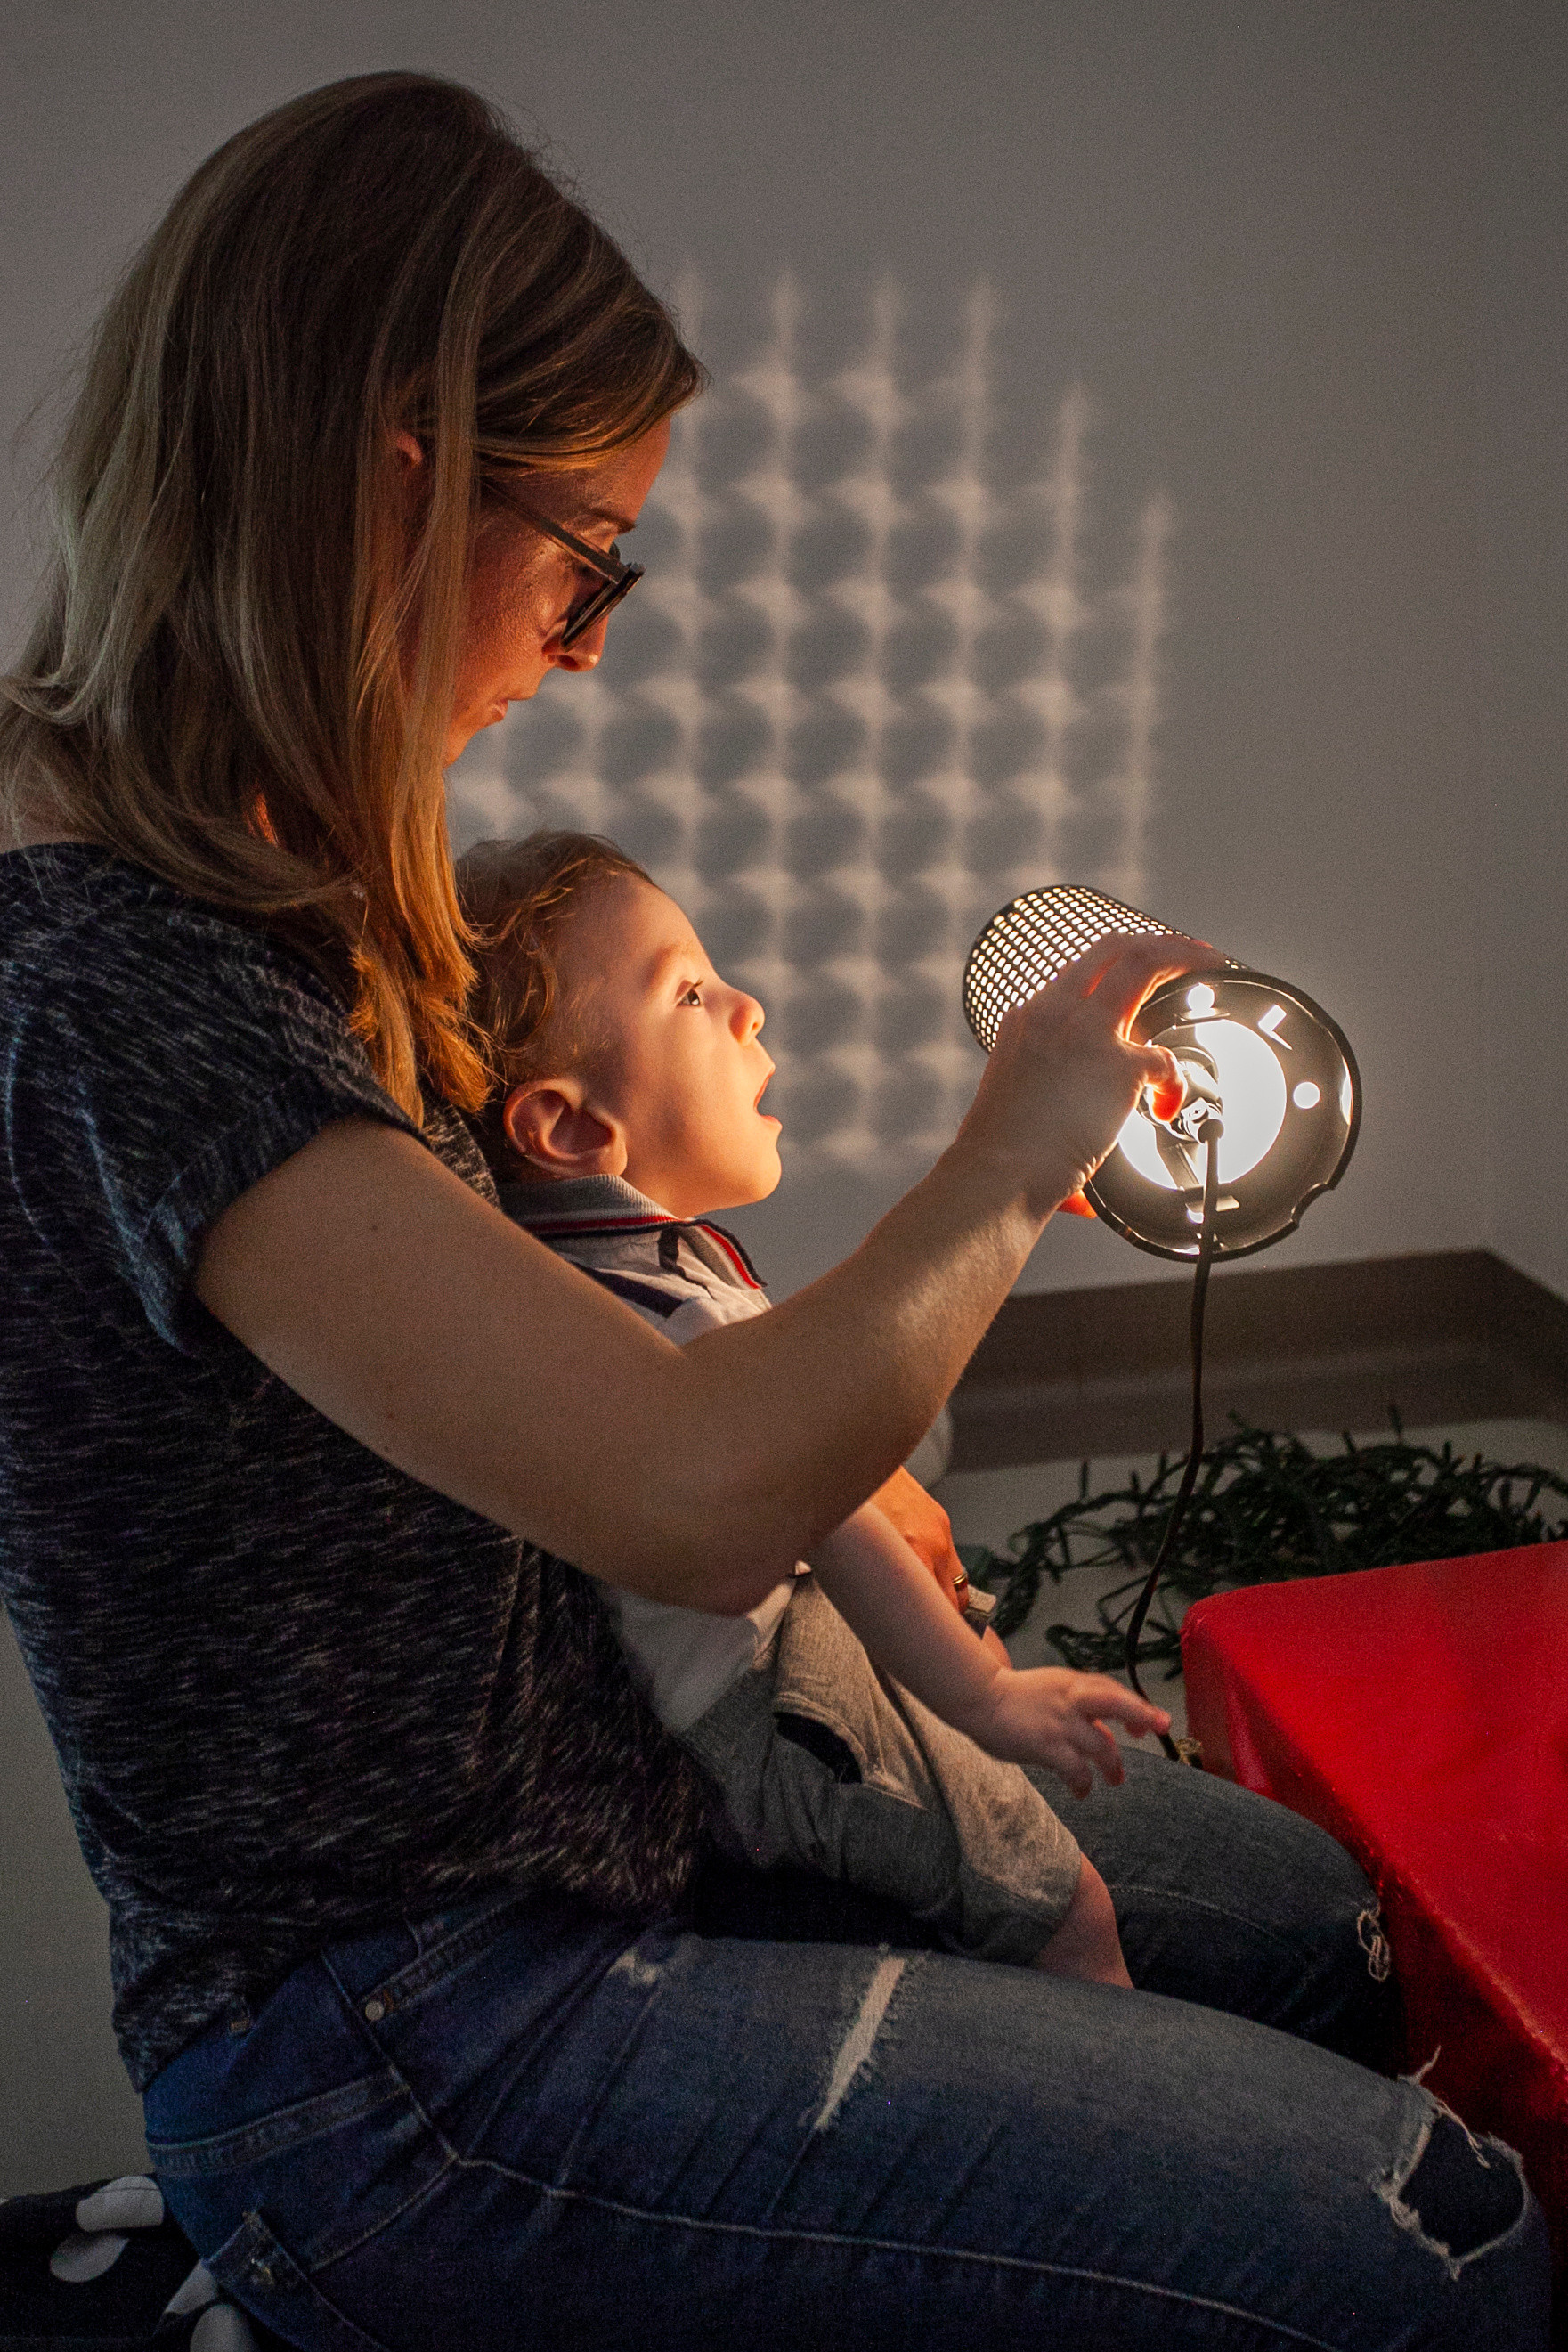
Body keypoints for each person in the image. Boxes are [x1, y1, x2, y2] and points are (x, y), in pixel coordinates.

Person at [0, 69, 1547, 2352]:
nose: (591, 637)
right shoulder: (119, 976)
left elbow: (616, 1389)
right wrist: (1013, 1147)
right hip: (417, 2053)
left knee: (1309, 1917)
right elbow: (698, 1488)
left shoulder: (269, 887)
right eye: (587, 551)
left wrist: (885, 1600)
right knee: (1448, 2246)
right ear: (392, 476)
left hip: (607, 1827)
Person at [457, 825, 1161, 1982]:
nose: (748, 1006)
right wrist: (988, 1696)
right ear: (573, 1127)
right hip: (760, 1713)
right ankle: (1136, 2119)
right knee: (1062, 1899)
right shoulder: (678, 1326)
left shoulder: (564, 1277)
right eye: (687, 991)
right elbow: (830, 1517)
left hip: (692, 1691)